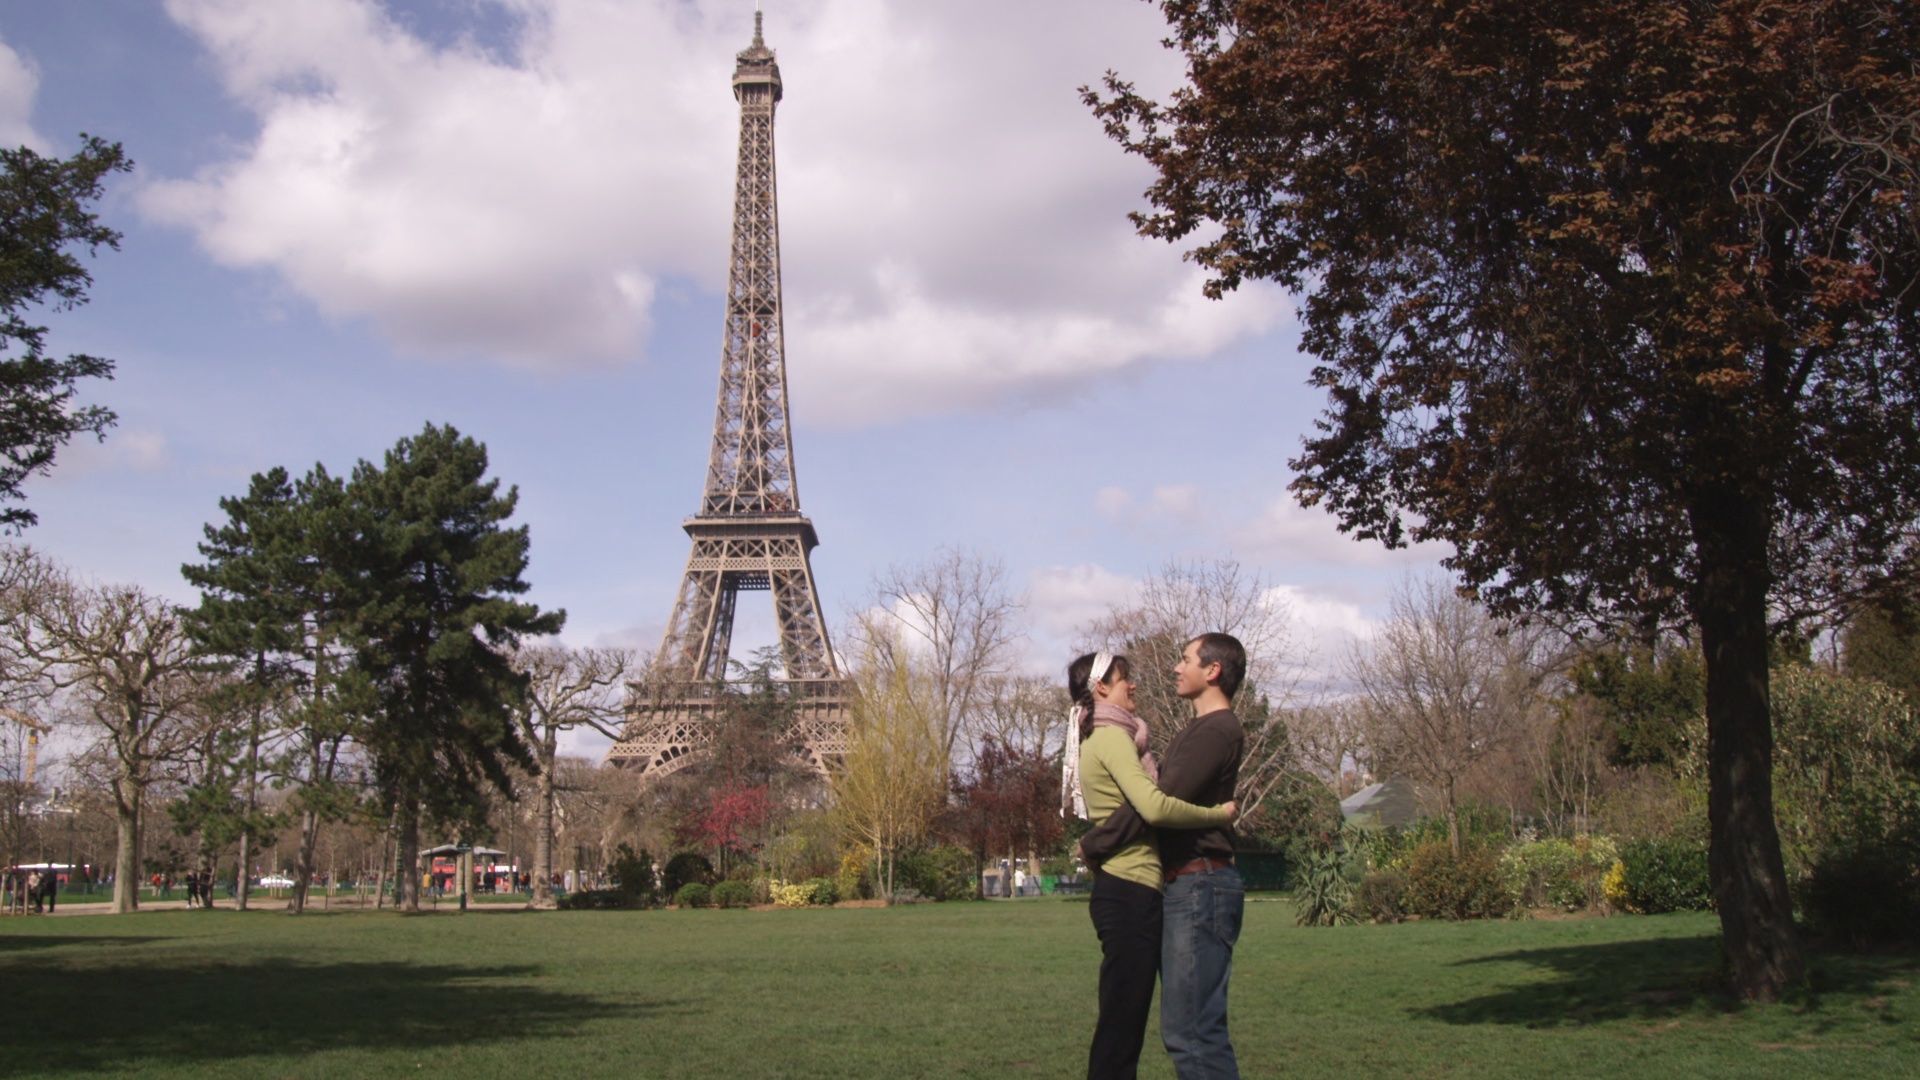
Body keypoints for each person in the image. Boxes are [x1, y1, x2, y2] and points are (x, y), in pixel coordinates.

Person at [1080, 633, 1250, 1080]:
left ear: (1212, 671)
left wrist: (1095, 844)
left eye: (1185, 659)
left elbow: (1155, 805)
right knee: (1184, 1032)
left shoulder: (1216, 730)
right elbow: (1153, 803)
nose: (1176, 667)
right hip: (1186, 885)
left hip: (1201, 884)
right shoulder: (1195, 731)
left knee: (1194, 1035)